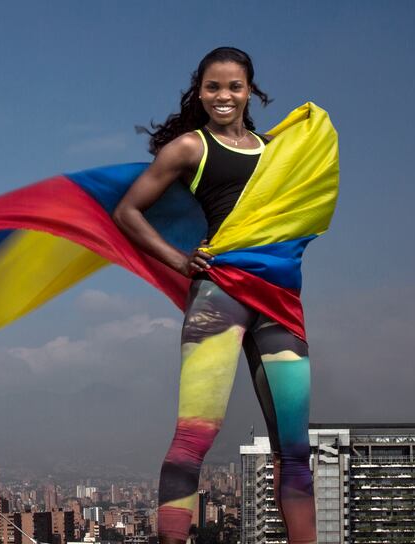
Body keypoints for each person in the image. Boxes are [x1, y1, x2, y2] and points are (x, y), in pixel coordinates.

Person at [111, 47, 316, 544]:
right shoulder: (189, 148)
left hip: (278, 299)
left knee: (295, 446)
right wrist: (180, 261)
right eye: (213, 87)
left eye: (234, 86)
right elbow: (127, 212)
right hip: (217, 297)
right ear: (199, 92)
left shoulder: (275, 152)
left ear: (251, 91)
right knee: (194, 438)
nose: (224, 96)